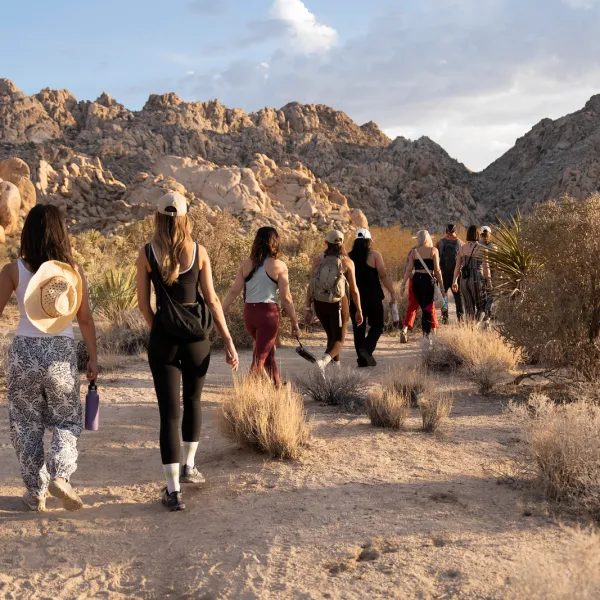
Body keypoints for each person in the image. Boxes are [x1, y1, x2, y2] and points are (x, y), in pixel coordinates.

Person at [136, 192, 239, 512]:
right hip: (197, 340)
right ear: (184, 218)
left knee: (169, 413)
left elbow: (142, 304)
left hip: (164, 340)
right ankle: (190, 467)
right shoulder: (200, 252)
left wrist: (161, 328)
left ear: (157, 218)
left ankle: (173, 491)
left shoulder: (146, 254)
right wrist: (228, 338)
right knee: (192, 401)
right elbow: (212, 300)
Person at [0, 204, 98, 513]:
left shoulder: (13, 270)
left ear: (27, 233)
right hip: (60, 354)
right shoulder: (72, 272)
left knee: (25, 424)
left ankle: (36, 491)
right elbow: (85, 320)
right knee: (66, 420)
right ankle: (61, 476)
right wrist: (93, 358)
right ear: (61, 234)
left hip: (24, 354)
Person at [222, 227, 300, 385]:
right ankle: (245, 396)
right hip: (268, 316)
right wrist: (294, 322)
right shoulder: (279, 265)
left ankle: (277, 387)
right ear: (275, 243)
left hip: (249, 314)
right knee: (259, 360)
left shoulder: (247, 264)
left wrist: (220, 310)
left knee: (267, 353)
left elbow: (234, 290)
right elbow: (286, 297)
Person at [304, 230, 363, 370]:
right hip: (338, 304)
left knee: (331, 336)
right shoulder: (347, 262)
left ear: (326, 242)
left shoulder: (318, 260)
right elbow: (354, 289)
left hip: (319, 303)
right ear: (342, 243)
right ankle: (323, 362)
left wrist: (308, 308)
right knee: (339, 340)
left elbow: (311, 285)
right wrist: (359, 309)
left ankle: (336, 369)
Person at [348, 228, 396, 367]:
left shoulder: (349, 257)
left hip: (355, 298)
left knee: (358, 328)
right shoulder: (375, 255)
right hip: (373, 297)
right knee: (377, 325)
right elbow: (383, 275)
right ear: (369, 241)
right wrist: (392, 291)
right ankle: (366, 349)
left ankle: (362, 359)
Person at [400, 230, 445, 340]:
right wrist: (442, 287)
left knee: (416, 307)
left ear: (418, 239)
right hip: (427, 281)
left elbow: (408, 270)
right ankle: (427, 336)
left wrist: (403, 284)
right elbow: (437, 270)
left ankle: (425, 334)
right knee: (427, 309)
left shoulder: (414, 252)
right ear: (428, 238)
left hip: (416, 282)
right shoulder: (433, 250)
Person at [452, 225, 492, 321]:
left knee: (469, 308)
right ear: (479, 234)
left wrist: (455, 281)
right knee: (481, 306)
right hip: (477, 279)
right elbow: (486, 268)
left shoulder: (462, 249)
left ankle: (470, 329)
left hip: (464, 280)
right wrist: (489, 282)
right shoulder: (483, 249)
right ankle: (476, 327)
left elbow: (457, 267)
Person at [435, 224, 464, 324]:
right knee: (458, 296)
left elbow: (434, 256)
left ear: (446, 231)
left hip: (443, 274)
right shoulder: (460, 243)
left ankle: (445, 317)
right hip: (456, 274)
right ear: (455, 231)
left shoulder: (440, 242)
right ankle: (460, 318)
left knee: (444, 295)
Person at [479, 226, 497, 327]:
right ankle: (488, 315)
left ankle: (482, 315)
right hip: (492, 273)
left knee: (482, 294)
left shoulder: (478, 245)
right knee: (491, 294)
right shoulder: (493, 246)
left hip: (480, 273)